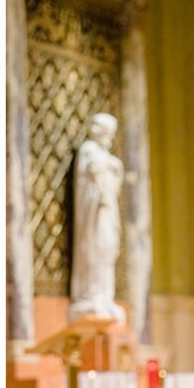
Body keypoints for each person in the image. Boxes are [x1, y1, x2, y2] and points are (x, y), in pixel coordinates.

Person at [69, 112, 126, 324]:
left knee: (109, 250)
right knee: (96, 249)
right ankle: (92, 294)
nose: (110, 137)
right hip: (95, 212)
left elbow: (114, 183)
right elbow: (89, 179)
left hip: (108, 211)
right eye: (108, 132)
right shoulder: (89, 150)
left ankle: (105, 295)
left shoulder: (105, 155)